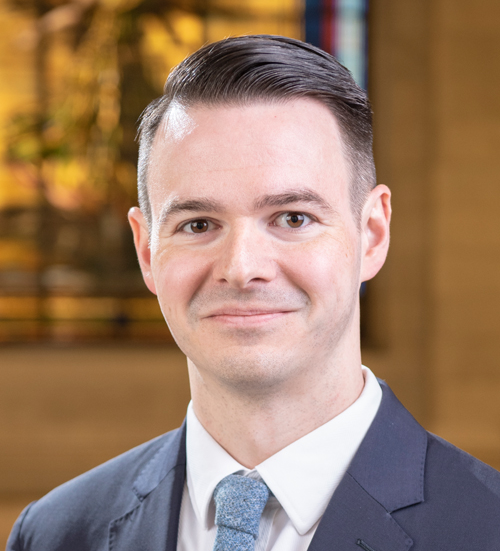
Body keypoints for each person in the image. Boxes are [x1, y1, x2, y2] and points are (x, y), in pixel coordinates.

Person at [7, 35, 500, 551]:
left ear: (372, 234)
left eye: (292, 218)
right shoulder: (56, 534)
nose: (242, 269)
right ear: (147, 250)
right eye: (198, 224)